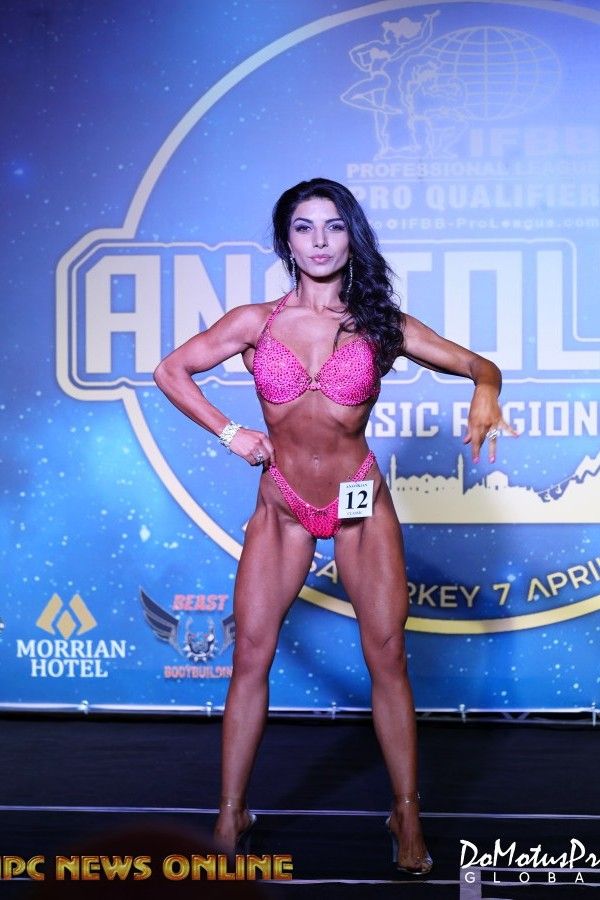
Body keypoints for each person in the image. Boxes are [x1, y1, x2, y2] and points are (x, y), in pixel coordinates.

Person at [153, 177, 514, 875]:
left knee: (388, 657)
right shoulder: (255, 322)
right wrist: (230, 433)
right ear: (286, 241)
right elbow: (172, 371)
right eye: (304, 227)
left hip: (359, 505)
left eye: (334, 226)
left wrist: (486, 390)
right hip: (283, 505)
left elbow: (479, 364)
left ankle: (406, 812)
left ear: (352, 237)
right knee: (250, 655)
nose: (319, 241)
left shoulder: (381, 324)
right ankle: (230, 814)